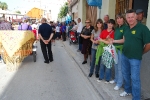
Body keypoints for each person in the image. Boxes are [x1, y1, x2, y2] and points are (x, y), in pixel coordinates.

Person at [119, 9, 150, 100]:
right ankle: (128, 90)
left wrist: (141, 52)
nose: (130, 19)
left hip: (135, 58)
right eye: (128, 17)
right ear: (126, 18)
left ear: (136, 17)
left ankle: (136, 98)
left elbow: (148, 44)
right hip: (125, 55)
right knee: (125, 74)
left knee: (135, 78)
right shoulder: (126, 28)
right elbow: (125, 40)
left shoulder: (143, 28)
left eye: (132, 17)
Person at [109, 13, 127, 90]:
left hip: (120, 50)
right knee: (115, 65)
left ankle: (120, 83)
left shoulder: (125, 28)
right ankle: (116, 79)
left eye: (120, 18)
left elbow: (124, 40)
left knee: (120, 67)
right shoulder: (116, 28)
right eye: (117, 18)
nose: (119, 20)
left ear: (123, 19)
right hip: (115, 49)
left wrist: (114, 41)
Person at [97, 19, 115, 83]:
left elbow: (110, 42)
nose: (110, 25)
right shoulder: (104, 31)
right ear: (107, 24)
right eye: (109, 23)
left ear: (113, 25)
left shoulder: (113, 32)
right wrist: (105, 40)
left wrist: (103, 40)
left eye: (111, 24)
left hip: (109, 50)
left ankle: (107, 79)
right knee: (102, 64)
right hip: (103, 49)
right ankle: (101, 77)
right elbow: (99, 39)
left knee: (108, 65)